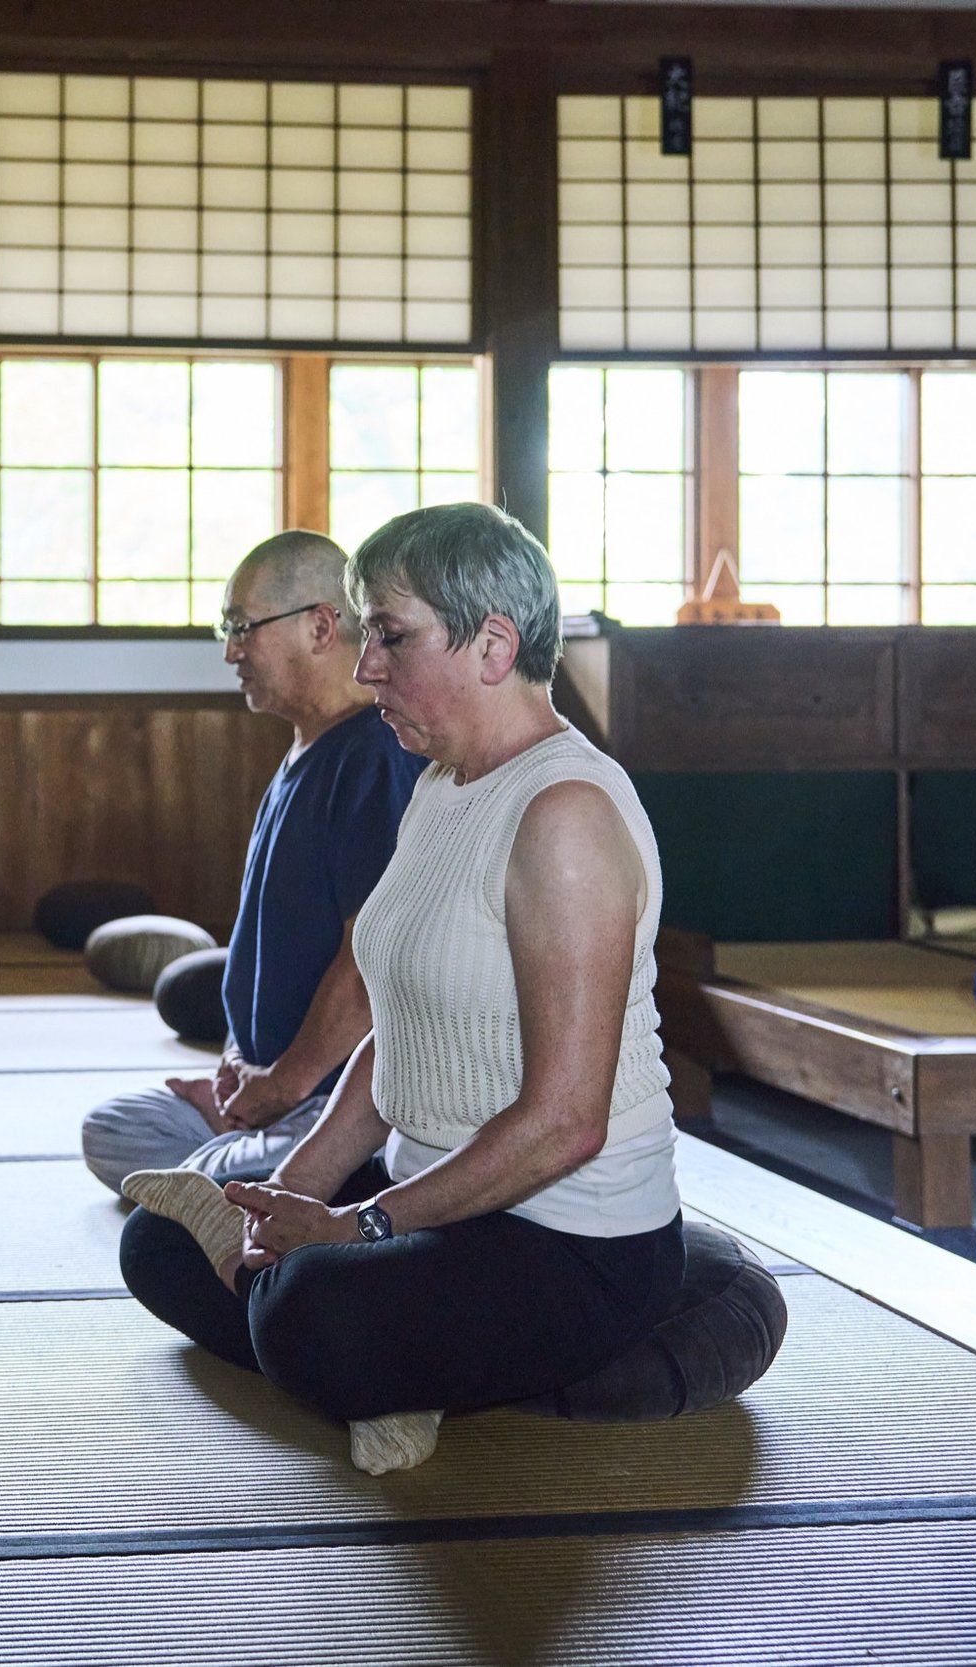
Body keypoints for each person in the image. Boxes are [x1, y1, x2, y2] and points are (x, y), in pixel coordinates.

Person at [119, 502, 686, 1476]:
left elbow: (566, 1123)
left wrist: (354, 1226)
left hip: (562, 1235)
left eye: (389, 633)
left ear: (492, 645)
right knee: (156, 1246)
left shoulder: (564, 816)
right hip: (428, 1185)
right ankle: (389, 1364)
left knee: (310, 1313)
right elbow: (401, 1025)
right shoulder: (440, 783)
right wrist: (293, 1185)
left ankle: (377, 1361)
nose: (365, 662)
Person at [79, 531, 423, 1194]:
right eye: (226, 629)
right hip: (270, 1099)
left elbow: (369, 967)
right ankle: (247, 1171)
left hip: (341, 1108)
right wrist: (237, 1073)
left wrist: (285, 1086)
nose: (231, 650)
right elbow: (265, 948)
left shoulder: (373, 758)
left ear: (322, 625)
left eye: (242, 627)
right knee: (115, 1127)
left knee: (204, 1174)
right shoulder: (307, 749)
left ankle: (285, 1177)